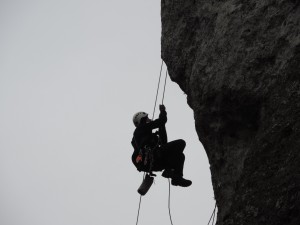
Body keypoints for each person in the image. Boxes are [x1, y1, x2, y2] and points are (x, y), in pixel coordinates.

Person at [131, 105, 192, 187]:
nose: (149, 119)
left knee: (180, 156)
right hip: (153, 157)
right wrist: (162, 111)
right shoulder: (140, 129)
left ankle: (176, 177)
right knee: (181, 143)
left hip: (156, 163)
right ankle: (170, 172)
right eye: (147, 118)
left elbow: (164, 142)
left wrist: (161, 127)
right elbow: (161, 121)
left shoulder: (146, 137)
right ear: (142, 119)